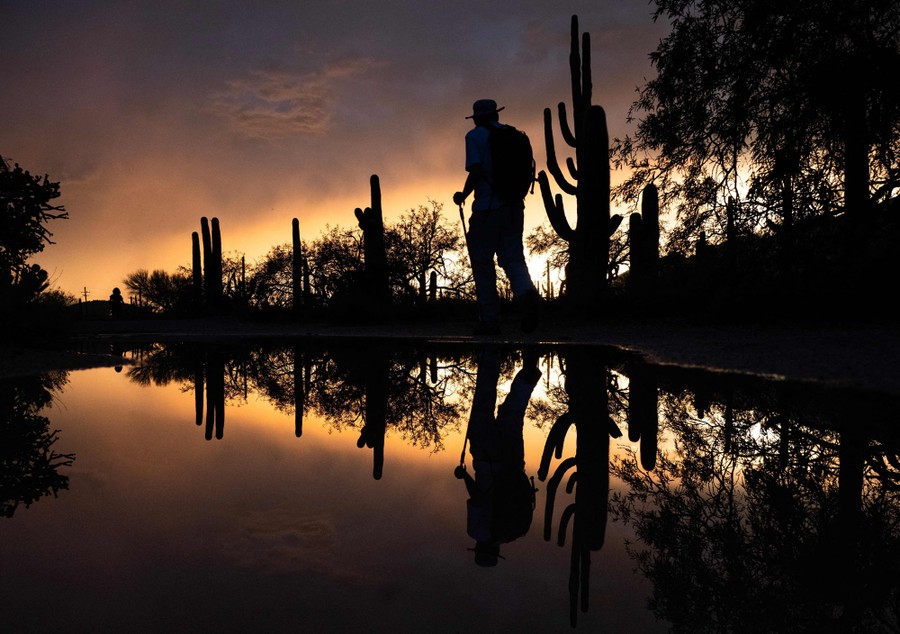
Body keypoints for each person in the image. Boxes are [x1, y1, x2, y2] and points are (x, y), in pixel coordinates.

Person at [453, 99, 541, 336]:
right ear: (496, 116)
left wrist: (463, 194)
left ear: (477, 118)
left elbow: (477, 170)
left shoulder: (475, 136)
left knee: (482, 262)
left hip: (486, 208)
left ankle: (489, 320)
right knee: (513, 258)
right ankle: (526, 295)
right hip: (513, 207)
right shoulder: (513, 135)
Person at [454, 347, 542, 566]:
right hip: (487, 459)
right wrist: (464, 476)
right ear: (479, 549)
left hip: (513, 463)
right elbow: (477, 496)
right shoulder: (476, 531)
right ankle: (492, 352)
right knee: (483, 404)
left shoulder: (512, 532)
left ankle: (527, 378)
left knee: (512, 414)